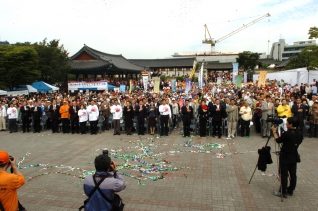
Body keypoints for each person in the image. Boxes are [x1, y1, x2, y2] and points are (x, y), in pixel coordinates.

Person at [272, 117, 303, 198]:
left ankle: (283, 191)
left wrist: (274, 131)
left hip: (285, 156)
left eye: (287, 122)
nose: (286, 123)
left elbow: (278, 140)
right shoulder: (300, 133)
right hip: (294, 155)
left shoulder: (287, 133)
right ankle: (291, 190)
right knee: (293, 174)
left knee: (284, 174)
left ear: (291, 124)